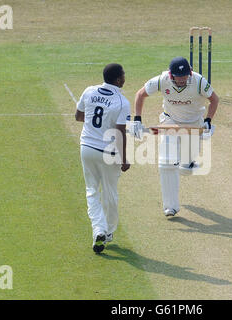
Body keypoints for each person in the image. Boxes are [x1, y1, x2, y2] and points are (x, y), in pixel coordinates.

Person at [129, 56, 219, 217]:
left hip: (193, 124)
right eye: (178, 78)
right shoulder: (162, 80)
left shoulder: (198, 81)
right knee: (166, 163)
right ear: (171, 76)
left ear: (190, 73)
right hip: (169, 121)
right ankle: (170, 207)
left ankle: (187, 164)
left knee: (185, 169)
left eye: (185, 77)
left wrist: (208, 121)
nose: (182, 81)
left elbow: (214, 99)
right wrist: (137, 119)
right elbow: (140, 94)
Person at [75, 63, 131, 253]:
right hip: (108, 153)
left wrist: (94, 126)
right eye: (123, 75)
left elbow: (78, 116)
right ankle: (107, 233)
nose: (124, 78)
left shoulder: (89, 91)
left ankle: (98, 229)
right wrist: (124, 159)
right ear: (118, 79)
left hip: (87, 148)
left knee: (92, 191)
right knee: (110, 193)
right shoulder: (122, 102)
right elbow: (121, 132)